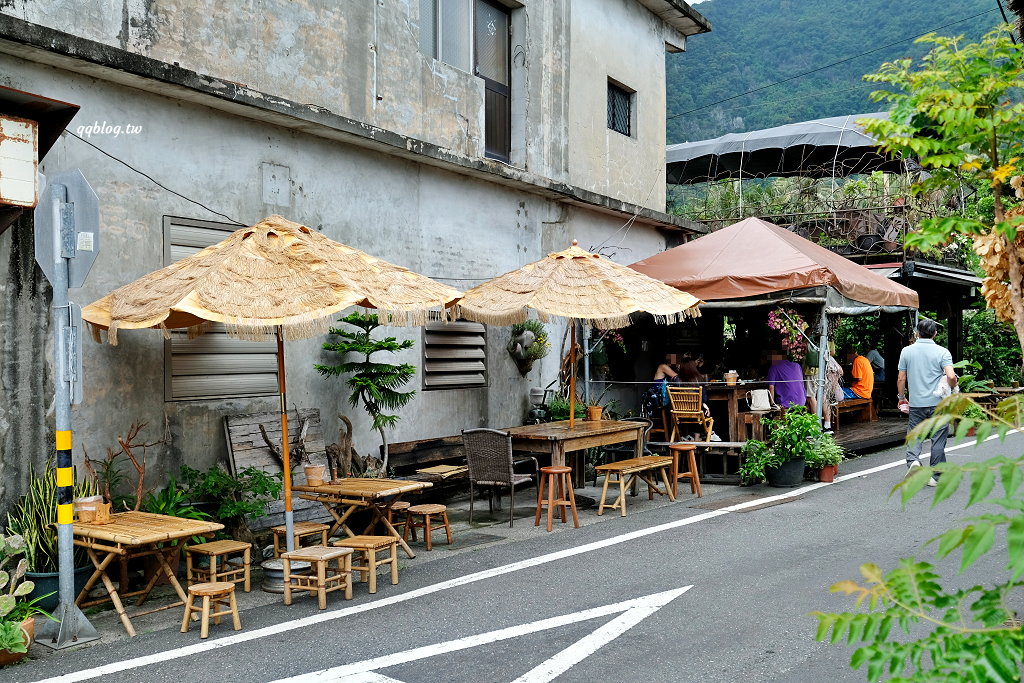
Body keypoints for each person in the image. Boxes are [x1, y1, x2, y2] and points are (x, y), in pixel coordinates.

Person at [896, 319, 957, 486]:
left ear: (917, 332)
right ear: (935, 333)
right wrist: (953, 387)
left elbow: (901, 378)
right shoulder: (943, 352)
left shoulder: (906, 351)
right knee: (938, 438)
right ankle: (935, 476)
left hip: (916, 403)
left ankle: (913, 462)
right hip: (938, 403)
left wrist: (901, 398)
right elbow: (951, 376)